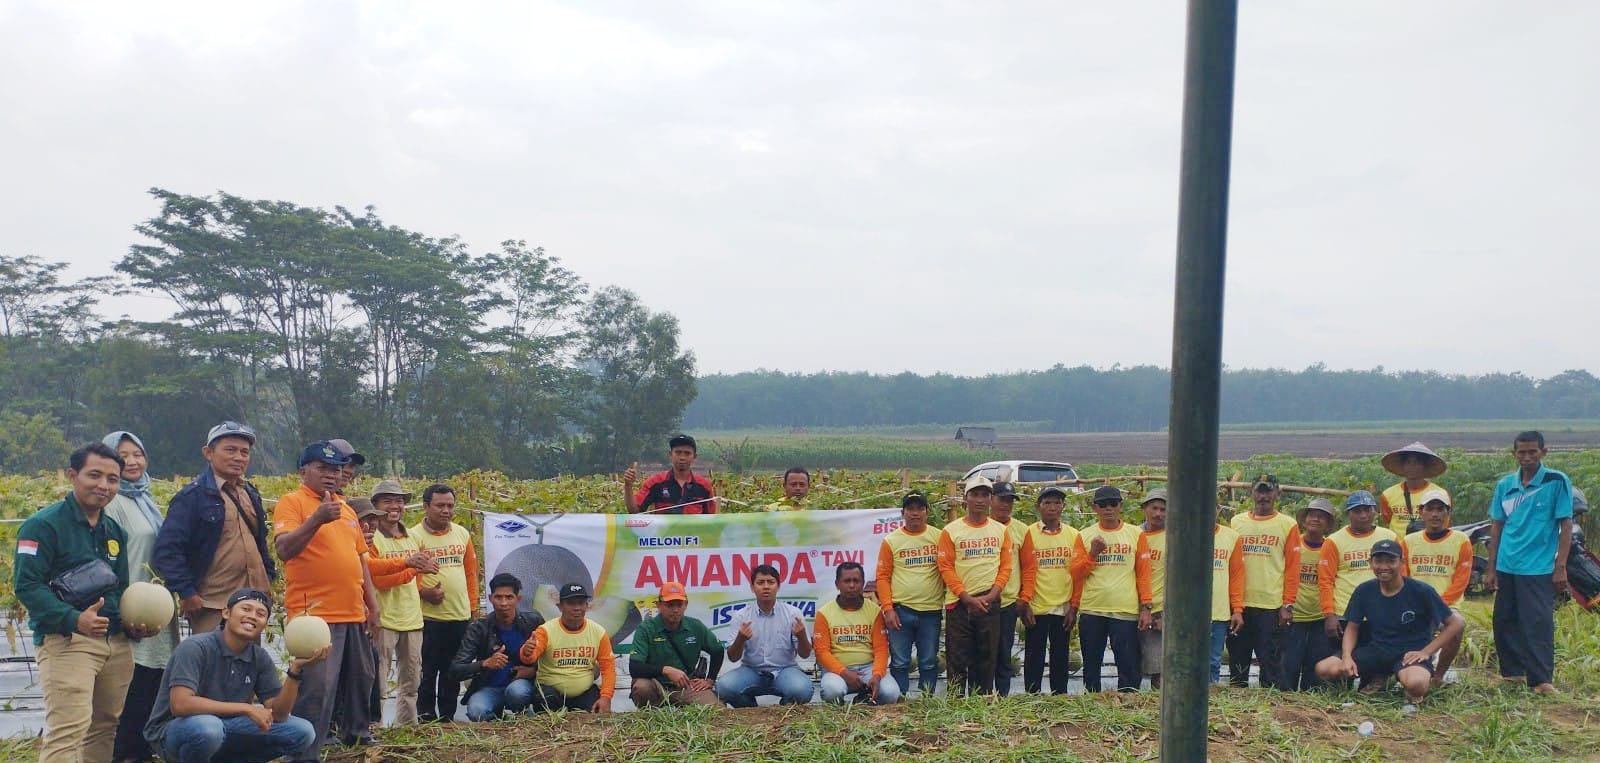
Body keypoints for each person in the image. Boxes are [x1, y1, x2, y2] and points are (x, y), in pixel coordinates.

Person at [14, 443, 160, 763]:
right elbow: (27, 586)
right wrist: (73, 618)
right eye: (94, 475)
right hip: (68, 640)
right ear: (72, 475)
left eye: (112, 479)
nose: (104, 485)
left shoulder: (113, 530)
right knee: (68, 729)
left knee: (104, 727)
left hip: (115, 643)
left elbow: (119, 588)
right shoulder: (43, 525)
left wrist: (130, 624)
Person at [272, 441, 381, 759]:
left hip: (353, 611)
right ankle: (304, 752)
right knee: (317, 689)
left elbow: (360, 560)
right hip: (315, 614)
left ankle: (357, 737)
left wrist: (373, 606)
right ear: (303, 471)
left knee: (362, 677)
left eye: (335, 470)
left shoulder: (346, 509)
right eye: (322, 468)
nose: (331, 475)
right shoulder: (292, 503)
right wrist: (317, 518)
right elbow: (284, 549)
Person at [143, 589, 327, 763]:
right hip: (175, 731)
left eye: (261, 614)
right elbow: (180, 705)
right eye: (246, 609)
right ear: (226, 613)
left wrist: (295, 670)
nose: (252, 616)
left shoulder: (259, 657)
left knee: (303, 732)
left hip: (226, 728)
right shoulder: (195, 647)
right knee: (209, 728)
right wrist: (246, 708)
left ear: (265, 624)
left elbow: (279, 715)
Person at [101, 431, 181, 763]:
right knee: (131, 683)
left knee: (152, 679)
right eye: (122, 456)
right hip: (132, 605)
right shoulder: (112, 502)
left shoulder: (143, 498)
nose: (132, 462)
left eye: (138, 454)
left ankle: (141, 750)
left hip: (154, 604)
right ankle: (125, 753)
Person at [153, 422, 274, 636]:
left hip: (252, 602)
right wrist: (187, 591)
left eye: (244, 452)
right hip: (212, 604)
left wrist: (269, 576)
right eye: (230, 450)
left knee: (247, 657)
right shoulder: (192, 497)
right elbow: (168, 550)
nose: (238, 457)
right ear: (208, 453)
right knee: (211, 655)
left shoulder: (250, 494)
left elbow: (260, 543)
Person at [1314, 540, 1465, 706]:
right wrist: (1346, 656)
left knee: (1416, 685)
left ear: (1401, 562)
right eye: (1378, 561)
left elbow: (1456, 623)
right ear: (1370, 563)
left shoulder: (1421, 591)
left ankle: (1406, 680)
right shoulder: (1364, 590)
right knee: (1324, 669)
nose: (1384, 566)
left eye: (1391, 561)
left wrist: (1426, 652)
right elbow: (1352, 627)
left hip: (1409, 654)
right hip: (1377, 649)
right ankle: (1381, 677)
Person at [1485, 430, 1573, 695]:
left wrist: (1561, 566)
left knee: (1537, 623)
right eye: (1521, 452)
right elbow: (1497, 526)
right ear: (1514, 454)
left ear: (1543, 452)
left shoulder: (1556, 481)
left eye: (1532, 451)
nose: (1527, 457)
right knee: (1504, 621)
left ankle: (1541, 680)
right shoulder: (1505, 485)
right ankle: (1512, 674)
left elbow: (1566, 525)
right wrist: (1491, 567)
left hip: (1538, 566)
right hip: (1507, 563)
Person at [1070, 486, 1153, 693]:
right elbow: (1076, 573)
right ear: (1095, 508)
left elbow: (1143, 574)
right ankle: (1093, 703)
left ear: (1120, 506)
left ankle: (1128, 703)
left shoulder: (1136, 534)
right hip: (1093, 610)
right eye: (1103, 504)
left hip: (1125, 611)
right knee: (1091, 665)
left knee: (1128, 665)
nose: (1108, 508)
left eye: (1113, 504)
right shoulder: (1084, 535)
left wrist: (1146, 607)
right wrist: (1093, 554)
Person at [936, 475, 1013, 695]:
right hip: (959, 604)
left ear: (991, 499)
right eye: (975, 494)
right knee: (957, 659)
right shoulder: (951, 531)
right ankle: (957, 703)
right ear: (965, 499)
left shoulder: (1000, 531)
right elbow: (946, 567)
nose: (980, 500)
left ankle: (982, 704)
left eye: (985, 495)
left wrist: (993, 594)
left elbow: (1005, 567)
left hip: (990, 602)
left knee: (986, 659)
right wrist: (966, 597)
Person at [411, 484, 479, 723]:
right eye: (440, 505)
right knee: (427, 671)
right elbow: (405, 577)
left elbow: (471, 573)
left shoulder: (462, 534)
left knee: (453, 671)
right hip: (428, 618)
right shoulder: (413, 536)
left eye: (450, 506)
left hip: (459, 616)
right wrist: (423, 592)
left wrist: (473, 608)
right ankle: (426, 717)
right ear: (426, 506)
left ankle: (448, 718)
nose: (446, 511)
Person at [1227, 474, 1302, 689]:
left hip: (1270, 605)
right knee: (1238, 662)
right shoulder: (1236, 522)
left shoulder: (1288, 525)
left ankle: (1269, 705)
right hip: (1239, 604)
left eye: (1268, 491)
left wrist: (1288, 604)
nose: (1263, 496)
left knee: (1270, 664)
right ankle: (1238, 703)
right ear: (1251, 492)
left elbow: (1293, 567)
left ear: (1277, 493)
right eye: (1259, 491)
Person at [365, 480, 429, 725]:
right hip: (384, 620)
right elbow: (376, 580)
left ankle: (407, 728)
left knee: (411, 682)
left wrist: (415, 574)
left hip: (412, 619)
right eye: (388, 501)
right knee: (378, 681)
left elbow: (420, 573)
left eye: (399, 501)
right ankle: (375, 728)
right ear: (375, 506)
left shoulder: (413, 537)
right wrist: (411, 569)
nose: (395, 506)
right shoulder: (371, 539)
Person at [1400, 487, 1474, 687]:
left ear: (1448, 513)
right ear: (1421, 512)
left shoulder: (1461, 540)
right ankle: (1400, 672)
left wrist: (1438, 606)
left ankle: (1438, 676)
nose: (1435, 514)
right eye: (1430, 509)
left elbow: (1461, 579)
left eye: (1440, 509)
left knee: (1456, 627)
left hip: (1447, 604)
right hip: (1414, 603)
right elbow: (1404, 576)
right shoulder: (1409, 541)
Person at [715, 564, 815, 707]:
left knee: (802, 691)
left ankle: (783, 711)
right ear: (752, 587)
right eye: (760, 582)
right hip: (751, 670)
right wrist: (740, 639)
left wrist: (801, 636)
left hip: (785, 670)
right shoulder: (741, 616)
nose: (766, 587)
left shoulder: (793, 614)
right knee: (724, 687)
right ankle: (750, 710)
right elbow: (733, 657)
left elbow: (805, 655)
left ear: (778, 586)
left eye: (771, 582)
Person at [875, 492, 945, 697]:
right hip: (901, 611)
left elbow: (948, 569)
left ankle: (926, 699)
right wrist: (888, 609)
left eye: (920, 508)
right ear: (902, 512)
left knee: (928, 660)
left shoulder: (939, 537)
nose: (915, 513)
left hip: (931, 611)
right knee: (900, 661)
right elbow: (882, 576)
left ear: (927, 512)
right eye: (910, 509)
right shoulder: (891, 541)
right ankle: (899, 698)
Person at [450, 573, 545, 721]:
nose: (503, 603)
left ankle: (523, 717)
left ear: (518, 599)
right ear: (490, 598)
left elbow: (550, 659)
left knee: (517, 693)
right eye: (498, 597)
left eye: (509, 597)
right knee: (476, 711)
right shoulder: (478, 628)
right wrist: (485, 663)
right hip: (489, 688)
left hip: (520, 686)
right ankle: (500, 723)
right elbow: (456, 670)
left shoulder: (534, 622)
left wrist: (532, 671)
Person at [1016, 486, 1079, 694]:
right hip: (1036, 607)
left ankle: (1059, 698)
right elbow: (1022, 570)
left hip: (1063, 608)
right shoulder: (1028, 534)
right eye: (1047, 503)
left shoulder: (1074, 535)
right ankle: (1032, 697)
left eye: (1057, 503)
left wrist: (1073, 607)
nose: (1052, 507)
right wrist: (1024, 603)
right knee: (1034, 656)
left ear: (1063, 506)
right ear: (1038, 506)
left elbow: (1078, 574)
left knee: (1060, 656)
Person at [518, 584, 616, 713]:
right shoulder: (545, 630)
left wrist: (606, 697)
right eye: (571, 603)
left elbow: (608, 667)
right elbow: (530, 658)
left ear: (587, 606)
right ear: (560, 606)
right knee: (545, 698)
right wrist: (527, 652)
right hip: (550, 693)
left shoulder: (598, 632)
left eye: (581, 603)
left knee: (595, 713)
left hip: (584, 693)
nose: (577, 608)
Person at [1317, 491, 1398, 644]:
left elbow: (1401, 575)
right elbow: (1325, 581)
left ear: (1375, 511)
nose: (1363, 515)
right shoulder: (1334, 541)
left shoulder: (1389, 537)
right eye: (1357, 511)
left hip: (1383, 611)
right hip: (1346, 613)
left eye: (1367, 510)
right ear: (1349, 513)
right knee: (1343, 656)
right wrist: (1329, 614)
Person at [815, 562, 900, 704]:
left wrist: (877, 675)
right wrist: (844, 672)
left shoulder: (875, 611)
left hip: (868, 669)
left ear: (863, 583)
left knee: (890, 694)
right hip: (837, 671)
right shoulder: (824, 613)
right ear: (837, 584)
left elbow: (881, 649)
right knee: (832, 692)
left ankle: (863, 699)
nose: (852, 585)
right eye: (847, 581)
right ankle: (841, 711)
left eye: (856, 581)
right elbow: (821, 652)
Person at [629, 581, 724, 707]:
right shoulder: (645, 629)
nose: (675, 610)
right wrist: (666, 670)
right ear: (659, 605)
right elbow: (634, 667)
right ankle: (652, 714)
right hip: (656, 685)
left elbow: (718, 650)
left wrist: (710, 680)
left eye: (679, 605)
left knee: (717, 709)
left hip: (687, 685)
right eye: (669, 605)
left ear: (686, 605)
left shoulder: (695, 626)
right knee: (642, 687)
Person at [1281, 499, 1337, 690]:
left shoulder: (1331, 547)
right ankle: (1286, 698)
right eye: (1312, 515)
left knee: (1315, 664)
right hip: (1294, 614)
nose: (1315, 519)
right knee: (1289, 662)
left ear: (1328, 524)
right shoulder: (1293, 544)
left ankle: (1308, 699)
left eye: (1321, 517)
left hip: (1320, 615)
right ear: (1304, 520)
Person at [988, 481, 1028, 696]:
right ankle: (982, 694)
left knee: (1004, 652)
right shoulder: (981, 526)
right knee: (982, 652)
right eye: (1001, 499)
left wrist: (1024, 597)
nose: (1005, 504)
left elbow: (1029, 567)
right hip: (981, 600)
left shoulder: (1021, 530)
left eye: (1010, 500)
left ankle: (1002, 697)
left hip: (1008, 601)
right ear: (991, 500)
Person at [623, 434, 717, 514]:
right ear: (670, 455)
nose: (682, 457)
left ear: (694, 457)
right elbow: (634, 511)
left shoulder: (704, 486)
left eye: (687, 453)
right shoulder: (655, 482)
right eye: (678, 453)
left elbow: (712, 520)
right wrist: (628, 485)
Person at [1208, 508, 1246, 685]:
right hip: (1189, 615)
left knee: (1213, 661)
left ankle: (1211, 696)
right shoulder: (1184, 534)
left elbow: (1237, 576)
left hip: (1218, 612)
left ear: (1218, 510)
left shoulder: (1231, 537)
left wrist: (1237, 609)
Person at [1379, 442, 1450, 536]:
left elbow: (1443, 522)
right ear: (1403, 466)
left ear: (1425, 466)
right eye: (1408, 462)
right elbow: (1386, 521)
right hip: (1398, 544)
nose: (1412, 466)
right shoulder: (1388, 494)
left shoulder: (1440, 494)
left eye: (1417, 463)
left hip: (1427, 543)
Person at [1137, 489, 1168, 689]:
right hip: (1132, 609)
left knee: (1159, 670)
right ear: (1144, 509)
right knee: (1132, 666)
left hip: (1159, 610)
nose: (1158, 514)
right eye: (1154, 508)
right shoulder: (1133, 534)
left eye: (1163, 510)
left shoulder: (1174, 538)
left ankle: (1158, 704)